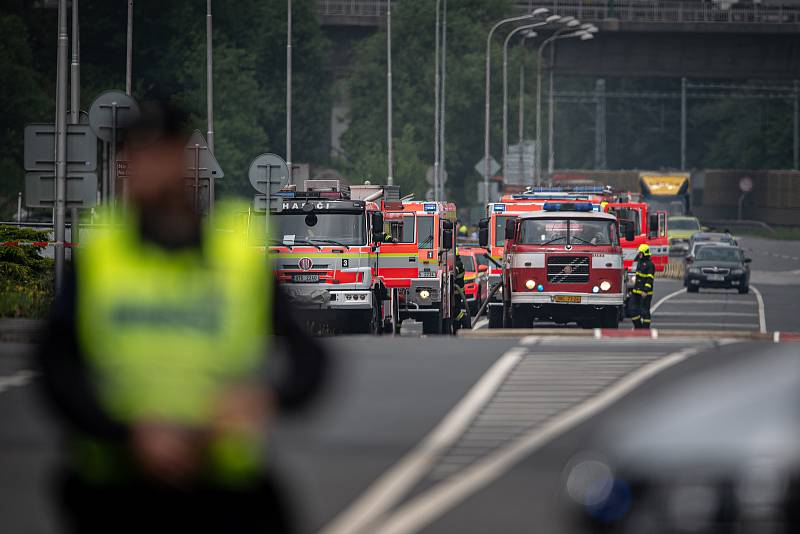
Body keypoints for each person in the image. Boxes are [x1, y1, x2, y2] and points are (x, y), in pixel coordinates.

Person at [38, 101, 327, 534]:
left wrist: (264, 398)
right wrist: (124, 433)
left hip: (220, 488)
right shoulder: (103, 253)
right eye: (129, 156)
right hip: (118, 486)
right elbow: (55, 363)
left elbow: (310, 360)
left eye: (152, 153)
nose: (137, 168)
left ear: (181, 159)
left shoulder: (236, 257)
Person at [630, 243, 655, 329]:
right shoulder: (639, 262)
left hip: (645, 293)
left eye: (640, 253)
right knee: (632, 310)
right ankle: (638, 327)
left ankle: (645, 329)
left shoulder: (650, 265)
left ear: (644, 254)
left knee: (644, 312)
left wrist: (645, 290)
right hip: (636, 291)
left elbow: (649, 279)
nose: (639, 254)